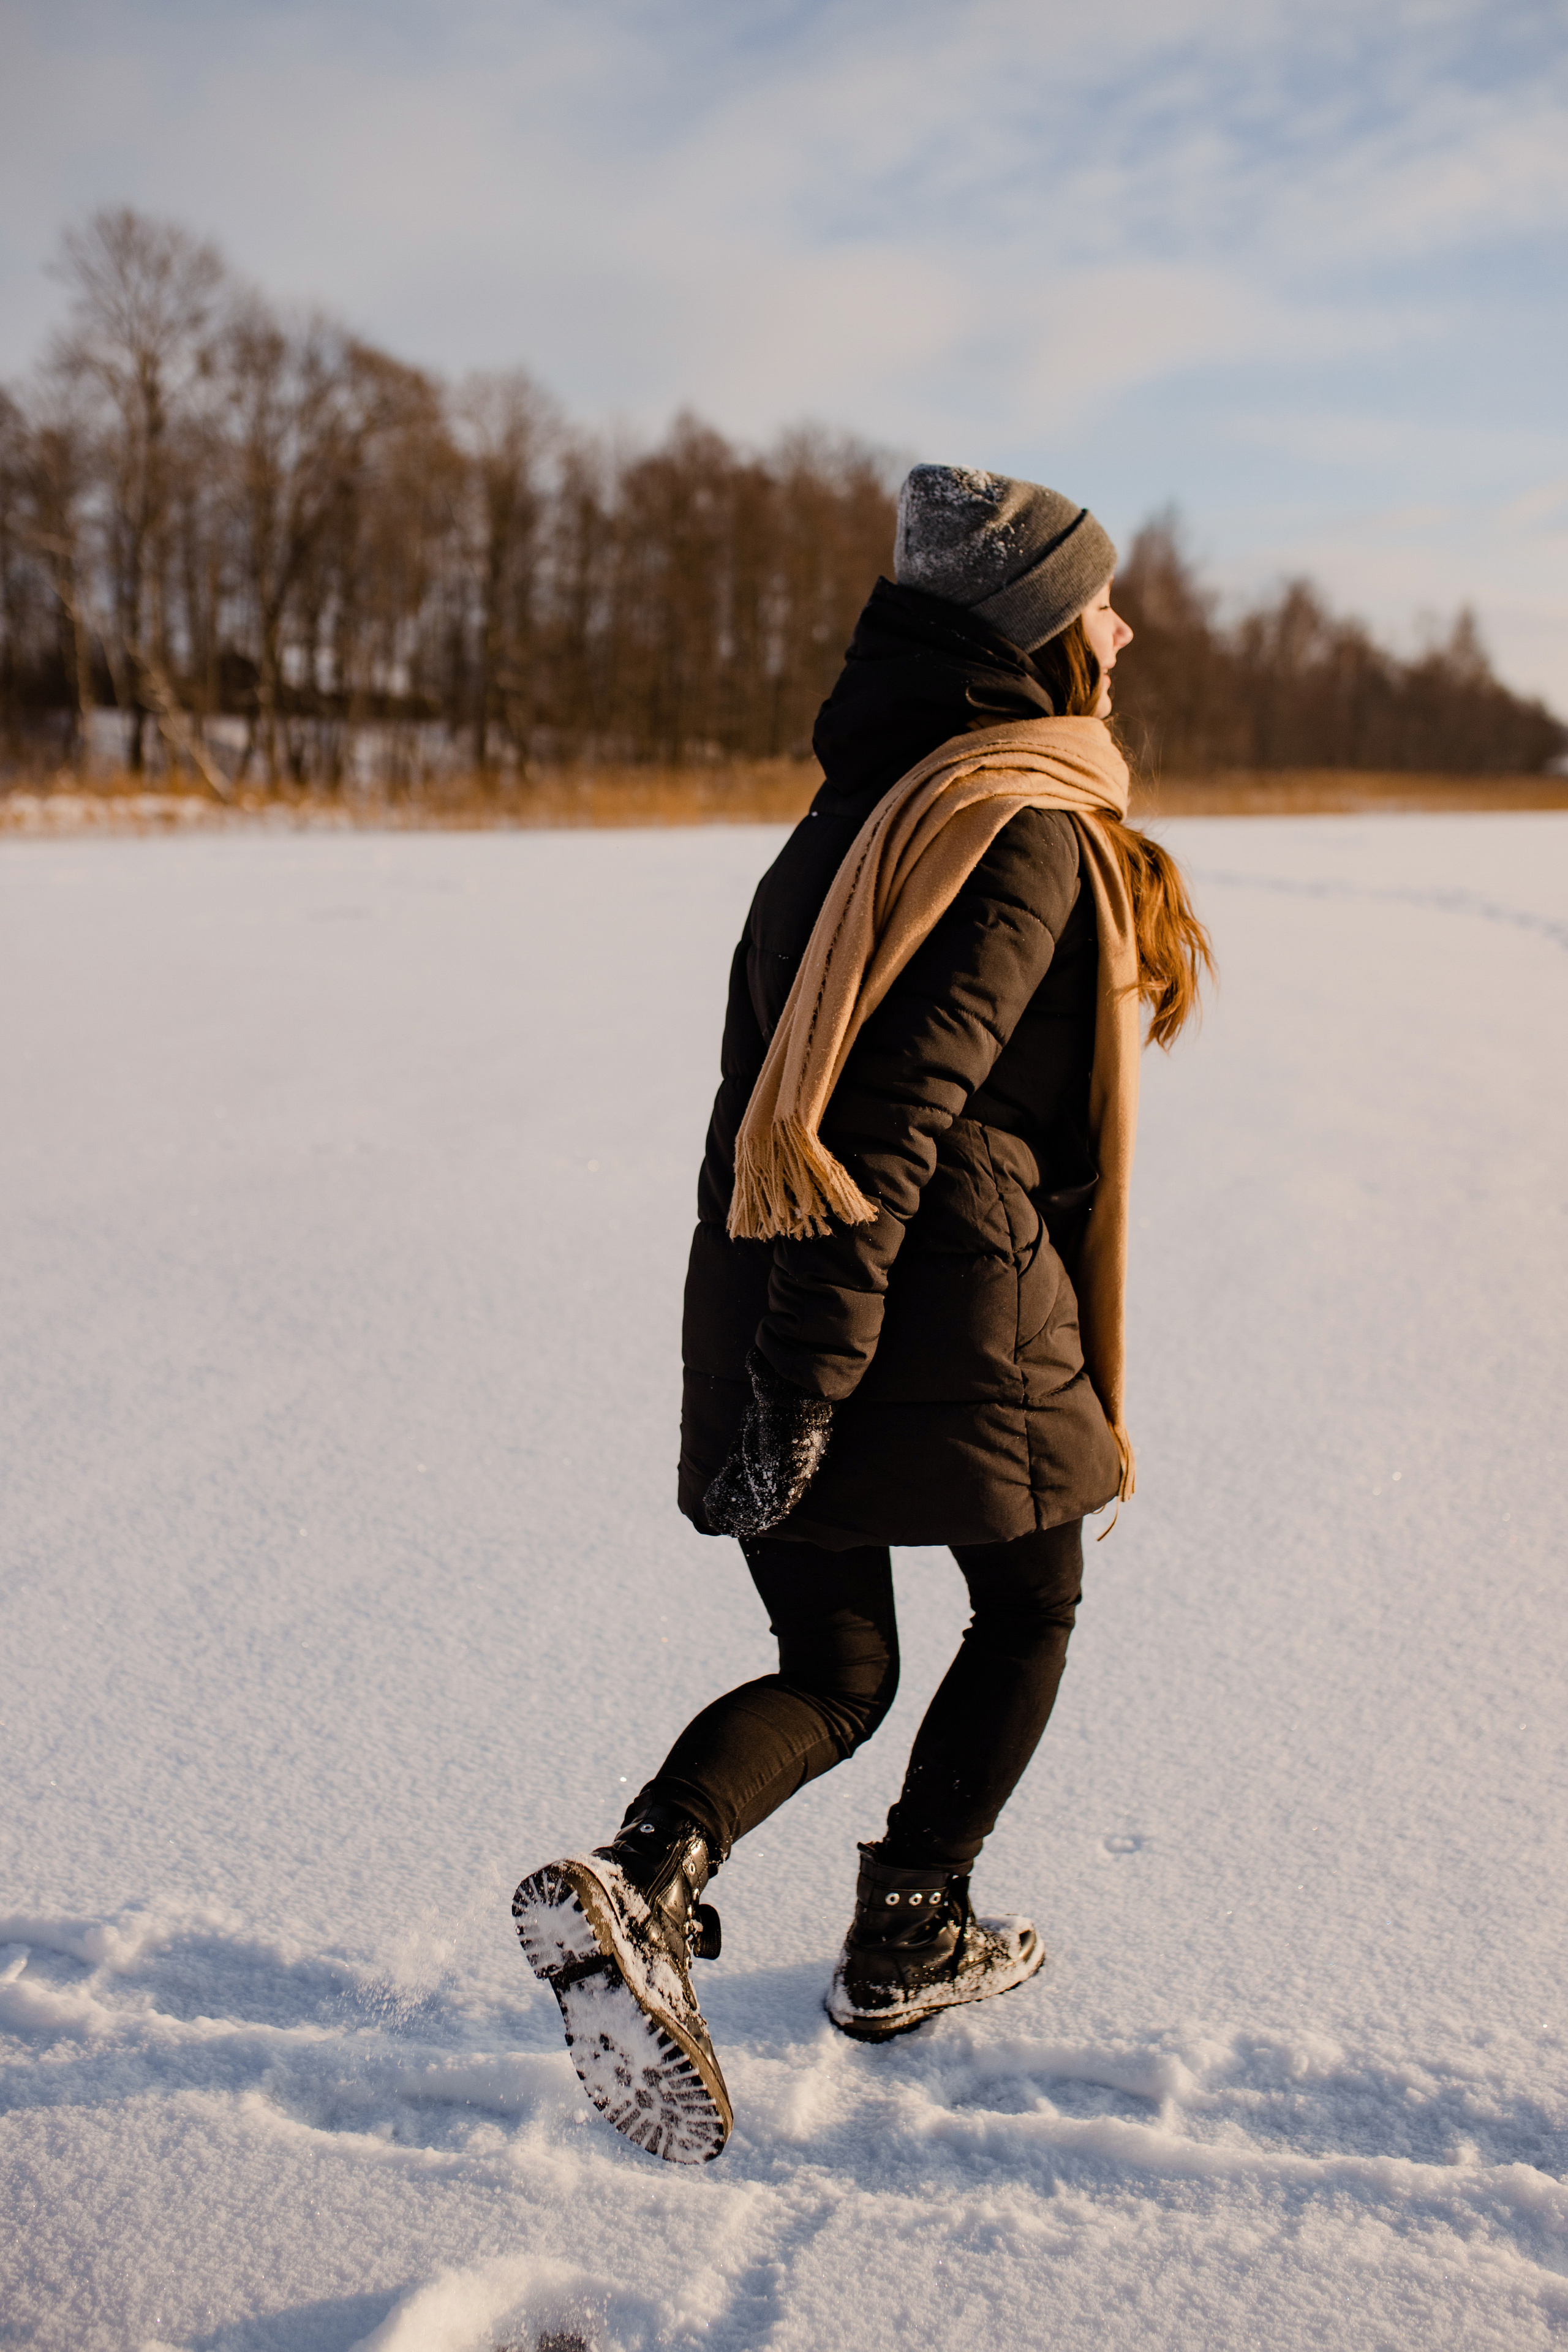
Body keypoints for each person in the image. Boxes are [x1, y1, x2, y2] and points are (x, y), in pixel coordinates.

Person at [513, 464, 1213, 2165]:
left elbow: (784, 1106)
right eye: (1096, 604)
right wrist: (810, 1385)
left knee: (835, 1662)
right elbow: (879, 1126)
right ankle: (910, 1930)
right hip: (925, 1289)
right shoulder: (1022, 823)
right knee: (1031, 1600)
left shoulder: (854, 816)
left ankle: (645, 1874)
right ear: (1035, 633)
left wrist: (774, 1364)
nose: (1123, 630)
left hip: (770, 1274)